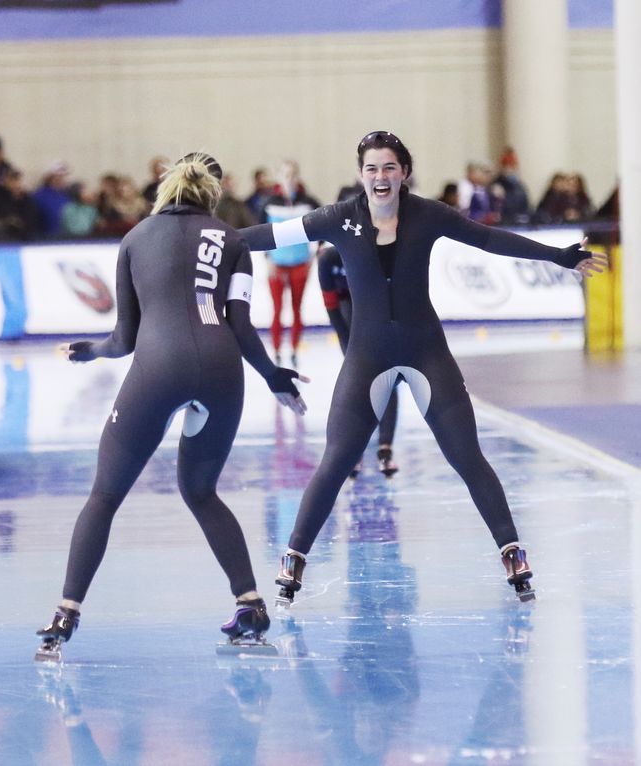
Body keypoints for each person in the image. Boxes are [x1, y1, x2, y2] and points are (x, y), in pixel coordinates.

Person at [240, 130, 607, 604]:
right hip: (367, 354)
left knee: (467, 456)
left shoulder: (428, 214)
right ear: (360, 175)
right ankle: (294, 558)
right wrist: (203, 241)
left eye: (389, 167)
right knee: (336, 460)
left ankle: (512, 551)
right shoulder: (337, 218)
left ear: (404, 173)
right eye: (371, 168)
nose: (380, 177)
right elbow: (267, 236)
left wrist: (558, 256)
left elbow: (489, 238)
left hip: (425, 351)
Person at [35, 153, 308, 662]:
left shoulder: (136, 238)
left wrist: (87, 351)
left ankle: (65, 613)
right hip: (223, 370)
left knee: (104, 496)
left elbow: (124, 340)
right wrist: (274, 377)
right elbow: (242, 325)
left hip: (160, 367)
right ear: (212, 196)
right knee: (201, 491)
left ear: (163, 193)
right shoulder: (233, 239)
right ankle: (250, 604)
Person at [317, 243, 398, 478]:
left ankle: (385, 448)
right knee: (360, 380)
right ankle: (356, 450)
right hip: (348, 313)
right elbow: (332, 307)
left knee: (387, 377)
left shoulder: (376, 251)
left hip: (380, 312)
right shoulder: (328, 259)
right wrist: (347, 344)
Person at [260, 159, 320, 367]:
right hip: (277, 264)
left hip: (300, 264)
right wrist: (268, 259)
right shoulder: (269, 203)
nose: (289, 179)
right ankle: (276, 351)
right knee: (277, 309)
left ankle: (294, 350)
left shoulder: (308, 202)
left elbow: (321, 227)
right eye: (285, 174)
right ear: (278, 177)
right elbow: (262, 232)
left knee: (296, 308)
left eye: (292, 174)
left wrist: (314, 254)